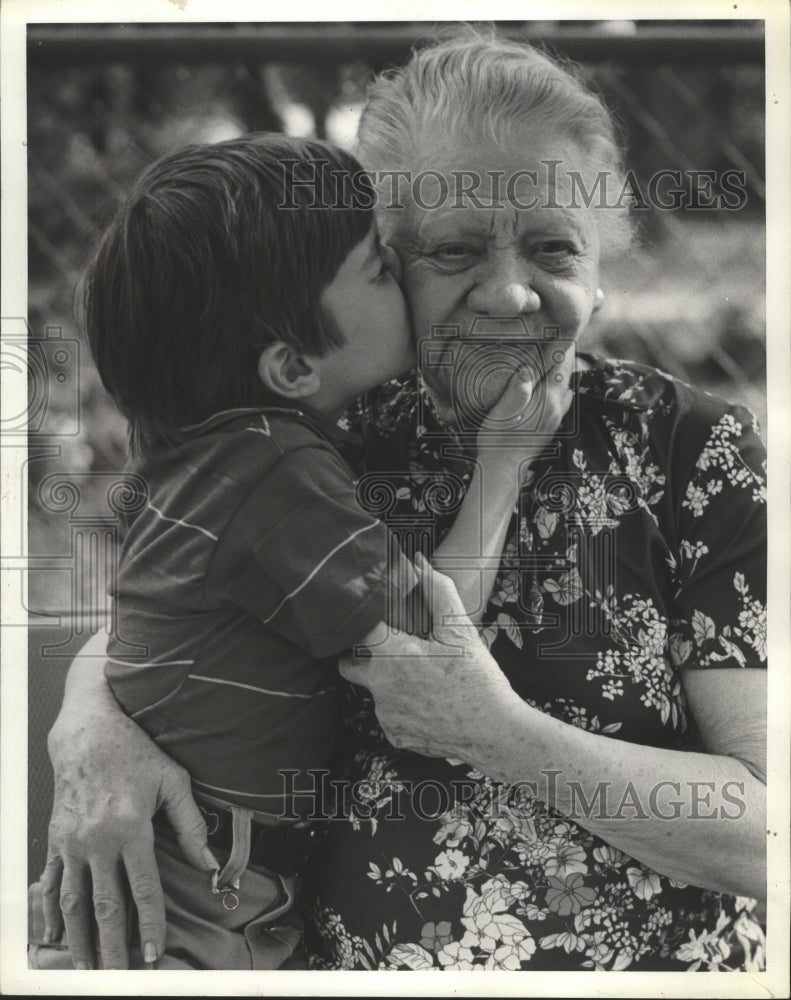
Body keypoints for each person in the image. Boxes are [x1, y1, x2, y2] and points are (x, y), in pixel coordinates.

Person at [35, 34, 767, 972]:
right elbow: (175, 595)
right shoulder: (326, 424)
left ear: (602, 264)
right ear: (385, 257)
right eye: (453, 250)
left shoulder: (688, 449)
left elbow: (765, 831)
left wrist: (504, 738)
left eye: (552, 247)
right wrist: (89, 722)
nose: (509, 293)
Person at [32, 131, 567, 970]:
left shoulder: (205, 454)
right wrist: (502, 465)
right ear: (290, 366)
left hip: (183, 879)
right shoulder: (275, 475)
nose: (400, 266)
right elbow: (435, 640)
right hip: (190, 899)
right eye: (378, 270)